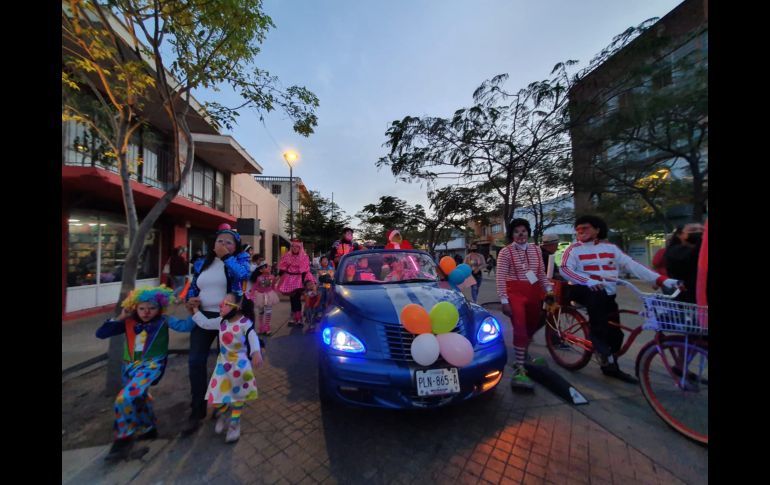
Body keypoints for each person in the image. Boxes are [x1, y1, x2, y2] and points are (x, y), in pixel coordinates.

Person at [561, 215, 680, 384]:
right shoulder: (573, 249)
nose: (580, 231)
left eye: (585, 228)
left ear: (597, 229)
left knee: (616, 333)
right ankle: (598, 341)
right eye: (578, 229)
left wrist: (663, 280)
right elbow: (566, 269)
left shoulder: (611, 248)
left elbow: (633, 266)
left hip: (608, 295)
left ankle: (610, 364)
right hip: (583, 291)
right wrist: (588, 281)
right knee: (599, 309)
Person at [96, 286, 195, 461]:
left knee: (124, 398)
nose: (146, 312)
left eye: (152, 308)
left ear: (160, 308)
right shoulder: (128, 321)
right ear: (134, 307)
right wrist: (121, 317)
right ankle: (149, 428)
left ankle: (123, 439)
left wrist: (193, 311)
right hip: (129, 367)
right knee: (139, 397)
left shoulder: (164, 320)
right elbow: (101, 333)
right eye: (142, 308)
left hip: (151, 366)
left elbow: (186, 326)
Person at [182, 224, 250, 435]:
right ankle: (197, 411)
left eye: (229, 242)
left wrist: (227, 258)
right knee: (195, 361)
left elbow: (242, 276)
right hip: (202, 316)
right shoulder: (203, 262)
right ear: (214, 244)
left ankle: (223, 406)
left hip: (227, 319)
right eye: (220, 241)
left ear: (235, 246)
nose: (223, 244)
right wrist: (188, 300)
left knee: (227, 364)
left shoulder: (239, 260)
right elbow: (194, 286)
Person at [189, 293, 262, 444]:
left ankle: (234, 424)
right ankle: (224, 411)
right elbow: (205, 323)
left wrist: (256, 353)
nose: (221, 305)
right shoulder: (221, 321)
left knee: (238, 397)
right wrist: (195, 310)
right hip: (223, 365)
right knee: (215, 396)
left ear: (238, 307)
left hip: (240, 366)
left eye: (226, 303)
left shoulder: (245, 323)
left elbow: (253, 337)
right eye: (221, 302)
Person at [496, 219, 554, 390]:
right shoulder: (505, 253)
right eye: (516, 231)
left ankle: (523, 357)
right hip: (515, 293)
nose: (521, 234)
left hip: (534, 293)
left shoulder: (537, 250)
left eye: (523, 231)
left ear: (528, 232)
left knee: (531, 327)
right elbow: (500, 278)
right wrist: (504, 301)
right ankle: (520, 368)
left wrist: (549, 291)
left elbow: (541, 275)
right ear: (512, 234)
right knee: (520, 328)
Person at [664, 222, 704, 303]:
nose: (698, 232)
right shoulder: (674, 252)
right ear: (679, 235)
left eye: (701, 230)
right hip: (687, 297)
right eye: (693, 230)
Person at [277, 239, 314, 326]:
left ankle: (299, 317)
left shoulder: (304, 256)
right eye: (293, 246)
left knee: (297, 298)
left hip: (299, 278)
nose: (294, 248)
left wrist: (303, 281)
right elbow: (283, 268)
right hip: (289, 278)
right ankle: (294, 317)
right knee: (292, 298)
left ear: (300, 248)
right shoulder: (287, 256)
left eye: (296, 247)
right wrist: (277, 277)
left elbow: (305, 270)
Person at [247, 262, 280, 335]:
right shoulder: (259, 278)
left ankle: (267, 327)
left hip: (269, 295)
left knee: (268, 311)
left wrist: (275, 291)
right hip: (260, 296)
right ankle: (261, 327)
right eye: (266, 267)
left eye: (269, 267)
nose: (269, 268)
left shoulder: (272, 277)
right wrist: (251, 294)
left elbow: (273, 285)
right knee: (261, 312)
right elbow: (255, 287)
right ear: (261, 270)